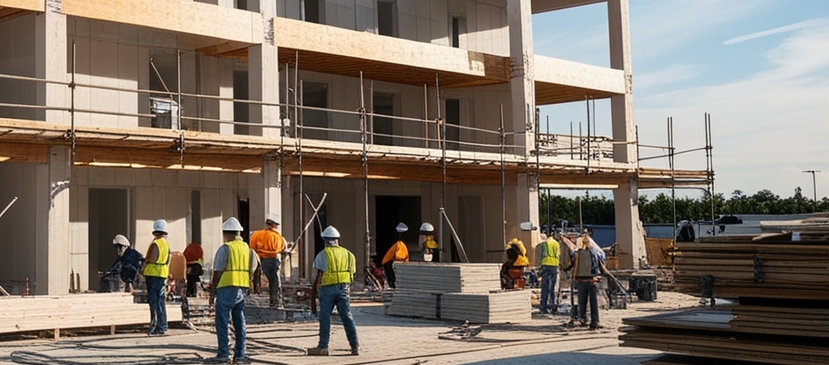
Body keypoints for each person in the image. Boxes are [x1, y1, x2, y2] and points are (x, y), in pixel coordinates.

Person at [208, 217, 259, 364]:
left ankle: (224, 353)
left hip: (226, 288)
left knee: (222, 321)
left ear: (226, 233)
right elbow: (254, 270)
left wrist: (212, 291)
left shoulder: (225, 248)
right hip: (242, 289)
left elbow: (217, 271)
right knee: (239, 321)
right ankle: (240, 355)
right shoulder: (249, 250)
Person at [307, 226, 360, 356]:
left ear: (325, 240)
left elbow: (317, 275)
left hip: (328, 289)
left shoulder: (323, 254)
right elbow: (352, 274)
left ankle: (323, 347)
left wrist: (314, 292)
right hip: (344, 288)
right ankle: (355, 346)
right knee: (347, 317)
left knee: (325, 317)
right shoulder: (349, 255)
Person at [249, 213, 288, 307]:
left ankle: (255, 299)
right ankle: (274, 303)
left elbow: (251, 247)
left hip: (257, 260)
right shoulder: (277, 237)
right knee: (274, 283)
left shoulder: (256, 235)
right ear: (275, 225)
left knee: (256, 281)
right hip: (272, 261)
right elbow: (282, 248)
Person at [571, 229, 606, 330]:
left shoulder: (577, 253)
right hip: (592, 279)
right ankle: (594, 321)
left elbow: (572, 263)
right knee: (593, 303)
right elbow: (601, 261)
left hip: (582, 280)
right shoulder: (595, 252)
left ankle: (583, 319)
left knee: (582, 301)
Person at [142, 219, 171, 336]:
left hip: (153, 275)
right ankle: (162, 325)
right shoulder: (165, 244)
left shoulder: (156, 243)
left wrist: (145, 261)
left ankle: (154, 326)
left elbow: (153, 258)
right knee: (161, 301)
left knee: (153, 302)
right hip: (162, 274)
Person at [535, 232, 560, 314]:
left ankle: (544, 307)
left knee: (545, 288)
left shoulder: (545, 243)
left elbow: (543, 254)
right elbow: (558, 255)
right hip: (554, 266)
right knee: (552, 288)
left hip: (546, 265)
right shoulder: (556, 244)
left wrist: (539, 268)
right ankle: (552, 306)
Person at [381, 222, 410, 289]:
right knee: (394, 281)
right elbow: (399, 258)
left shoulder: (399, 244)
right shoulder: (400, 244)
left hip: (390, 264)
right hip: (389, 264)